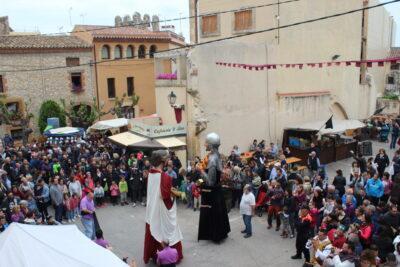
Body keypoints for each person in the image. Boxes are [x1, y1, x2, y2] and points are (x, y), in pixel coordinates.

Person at [143, 150, 183, 264]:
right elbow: (165, 196)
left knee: (154, 227)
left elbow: (156, 190)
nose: (168, 161)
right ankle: (170, 255)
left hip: (152, 208)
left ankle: (154, 254)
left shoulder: (150, 173)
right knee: (167, 229)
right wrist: (175, 196)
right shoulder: (165, 177)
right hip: (161, 208)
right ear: (163, 161)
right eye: (166, 159)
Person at [198, 133, 231, 243]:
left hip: (213, 192)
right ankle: (222, 233)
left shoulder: (212, 159)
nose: (204, 145)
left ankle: (216, 235)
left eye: (206, 143)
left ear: (211, 145)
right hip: (218, 190)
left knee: (215, 214)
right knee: (219, 214)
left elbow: (210, 182)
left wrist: (201, 170)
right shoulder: (217, 156)